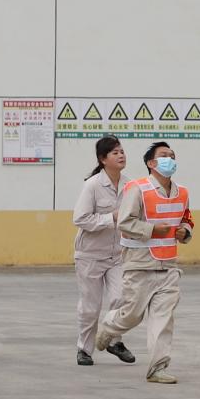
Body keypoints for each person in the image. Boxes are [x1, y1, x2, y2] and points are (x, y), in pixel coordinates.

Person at [94, 142, 190, 384]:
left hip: (169, 265)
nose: (169, 159)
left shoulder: (183, 192)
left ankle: (157, 368)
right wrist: (152, 230)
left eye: (172, 155)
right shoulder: (136, 188)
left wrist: (185, 232)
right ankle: (109, 327)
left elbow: (187, 219)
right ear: (151, 163)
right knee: (132, 316)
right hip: (139, 264)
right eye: (163, 155)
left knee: (163, 319)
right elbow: (125, 223)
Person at [71, 136, 132, 367]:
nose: (121, 155)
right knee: (90, 306)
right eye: (115, 152)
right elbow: (80, 219)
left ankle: (114, 340)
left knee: (121, 298)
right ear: (102, 159)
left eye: (122, 151)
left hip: (117, 255)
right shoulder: (93, 185)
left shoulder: (130, 185)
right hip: (90, 256)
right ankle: (84, 349)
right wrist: (111, 218)